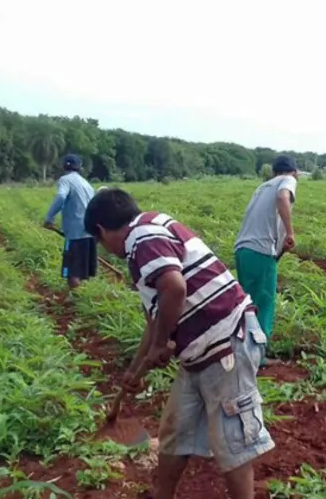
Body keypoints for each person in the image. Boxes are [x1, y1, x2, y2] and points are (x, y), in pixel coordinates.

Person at [84, 188, 274, 499]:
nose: (105, 249)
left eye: (100, 242)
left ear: (102, 231)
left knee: (234, 442)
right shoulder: (148, 233)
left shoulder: (141, 237)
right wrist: (135, 371)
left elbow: (174, 287)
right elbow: (155, 322)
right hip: (199, 353)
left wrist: (161, 344)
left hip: (226, 341)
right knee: (175, 432)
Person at [233, 155, 300, 368]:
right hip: (259, 252)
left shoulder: (262, 187)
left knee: (247, 304)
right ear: (294, 171)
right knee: (263, 305)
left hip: (243, 251)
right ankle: (257, 357)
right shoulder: (287, 181)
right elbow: (282, 198)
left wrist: (280, 249)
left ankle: (241, 352)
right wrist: (291, 232)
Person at [43, 153, 97, 289]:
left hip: (75, 232)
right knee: (82, 271)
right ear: (79, 167)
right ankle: (83, 301)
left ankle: (75, 303)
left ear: (63, 166)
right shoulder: (86, 183)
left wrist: (49, 218)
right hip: (89, 230)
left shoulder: (65, 180)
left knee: (72, 272)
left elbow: (61, 196)